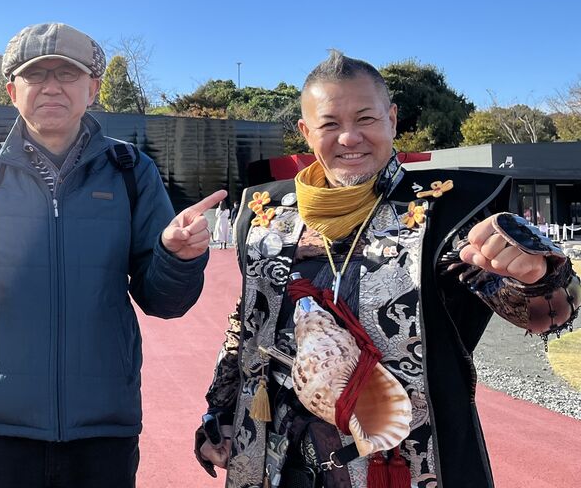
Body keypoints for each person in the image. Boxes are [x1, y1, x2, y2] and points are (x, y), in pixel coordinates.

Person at [195, 51, 580, 488]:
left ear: (392, 120)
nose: (349, 137)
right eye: (329, 124)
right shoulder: (267, 214)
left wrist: (538, 274)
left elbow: (546, 314)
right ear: (306, 132)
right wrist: (219, 411)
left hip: (408, 464)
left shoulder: (446, 212)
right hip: (285, 462)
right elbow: (247, 322)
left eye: (366, 119)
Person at [0, 22, 226, 488]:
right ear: (12, 91)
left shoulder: (130, 171)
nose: (51, 86)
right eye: (35, 74)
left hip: (102, 426)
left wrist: (176, 258)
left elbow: (165, 302)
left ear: (93, 88)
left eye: (67, 73)